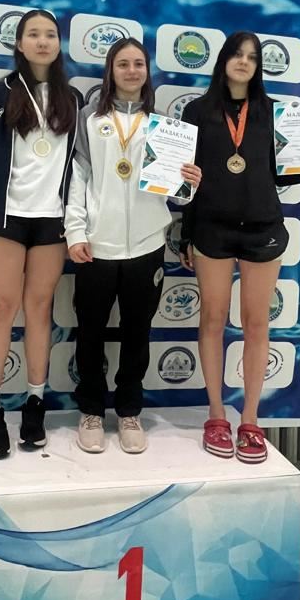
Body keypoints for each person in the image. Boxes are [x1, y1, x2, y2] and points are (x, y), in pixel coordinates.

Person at [180, 32, 300, 463]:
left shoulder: (275, 114)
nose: (243, 62)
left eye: (252, 57)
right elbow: (187, 181)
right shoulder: (197, 111)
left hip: (262, 230)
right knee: (212, 320)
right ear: (223, 60)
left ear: (258, 67)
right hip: (212, 229)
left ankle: (251, 420)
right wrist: (185, 235)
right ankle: (216, 415)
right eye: (237, 55)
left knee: (257, 325)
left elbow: (284, 174)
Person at [65, 39, 201, 454]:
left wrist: (190, 184)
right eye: (122, 64)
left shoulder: (163, 127)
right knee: (89, 332)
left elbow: (176, 196)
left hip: (146, 245)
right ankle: (91, 410)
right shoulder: (89, 119)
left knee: (137, 332)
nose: (131, 70)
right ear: (110, 70)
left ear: (147, 71)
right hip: (97, 245)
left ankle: (128, 411)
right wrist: (76, 232)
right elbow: (78, 178)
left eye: (138, 63)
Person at [0, 9, 81, 458]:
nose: (43, 41)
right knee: (1, 307)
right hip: (6, 218)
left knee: (39, 310)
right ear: (20, 43)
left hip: (52, 220)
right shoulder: (1, 93)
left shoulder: (73, 98)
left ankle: (35, 402)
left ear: (58, 43)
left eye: (50, 34)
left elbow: (82, 165)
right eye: (34, 34)